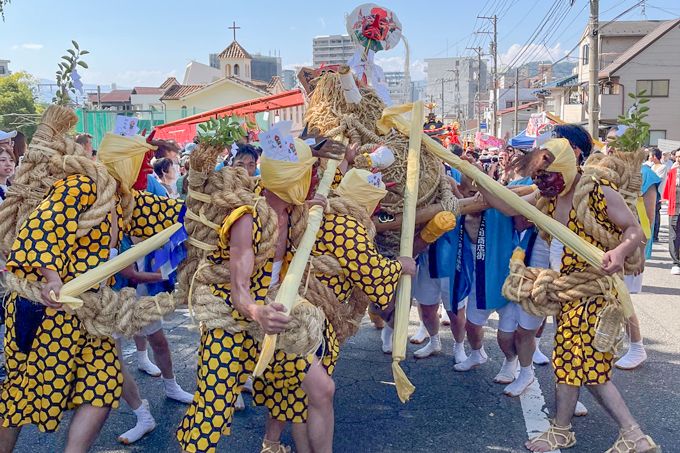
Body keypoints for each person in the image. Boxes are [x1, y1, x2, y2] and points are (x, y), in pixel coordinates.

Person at [0, 131, 184, 452]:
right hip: (49, 309)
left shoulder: (124, 200)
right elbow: (42, 227)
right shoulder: (82, 186)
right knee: (23, 394)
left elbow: (176, 214)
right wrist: (52, 278)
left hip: (89, 315)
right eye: (140, 164)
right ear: (125, 163)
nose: (145, 172)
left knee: (104, 383)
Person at [478, 138, 658, 452]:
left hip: (594, 290)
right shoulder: (548, 195)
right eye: (538, 177)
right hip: (569, 290)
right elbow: (508, 206)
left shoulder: (597, 191)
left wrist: (619, 252)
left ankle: (622, 433)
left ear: (564, 167)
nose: (542, 182)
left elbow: (634, 230)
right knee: (579, 364)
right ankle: (593, 431)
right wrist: (478, 180)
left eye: (547, 175)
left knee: (579, 364)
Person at [258, 168, 414, 453]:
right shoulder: (348, 227)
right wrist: (400, 266)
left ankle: (278, 444)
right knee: (320, 394)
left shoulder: (320, 213)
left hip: (294, 309)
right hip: (308, 319)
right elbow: (374, 276)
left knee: (298, 395)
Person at [663, 149, 680, 275]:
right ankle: (676, 262)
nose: (678, 159)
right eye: (677, 157)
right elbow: (668, 189)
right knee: (674, 234)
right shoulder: (673, 171)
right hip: (675, 206)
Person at [648, 148, 667, 242]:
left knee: (656, 213)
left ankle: (655, 235)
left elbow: (657, 179)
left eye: (650, 156)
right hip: (650, 192)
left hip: (657, 192)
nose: (649, 157)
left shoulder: (663, 167)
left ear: (655, 156)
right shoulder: (652, 167)